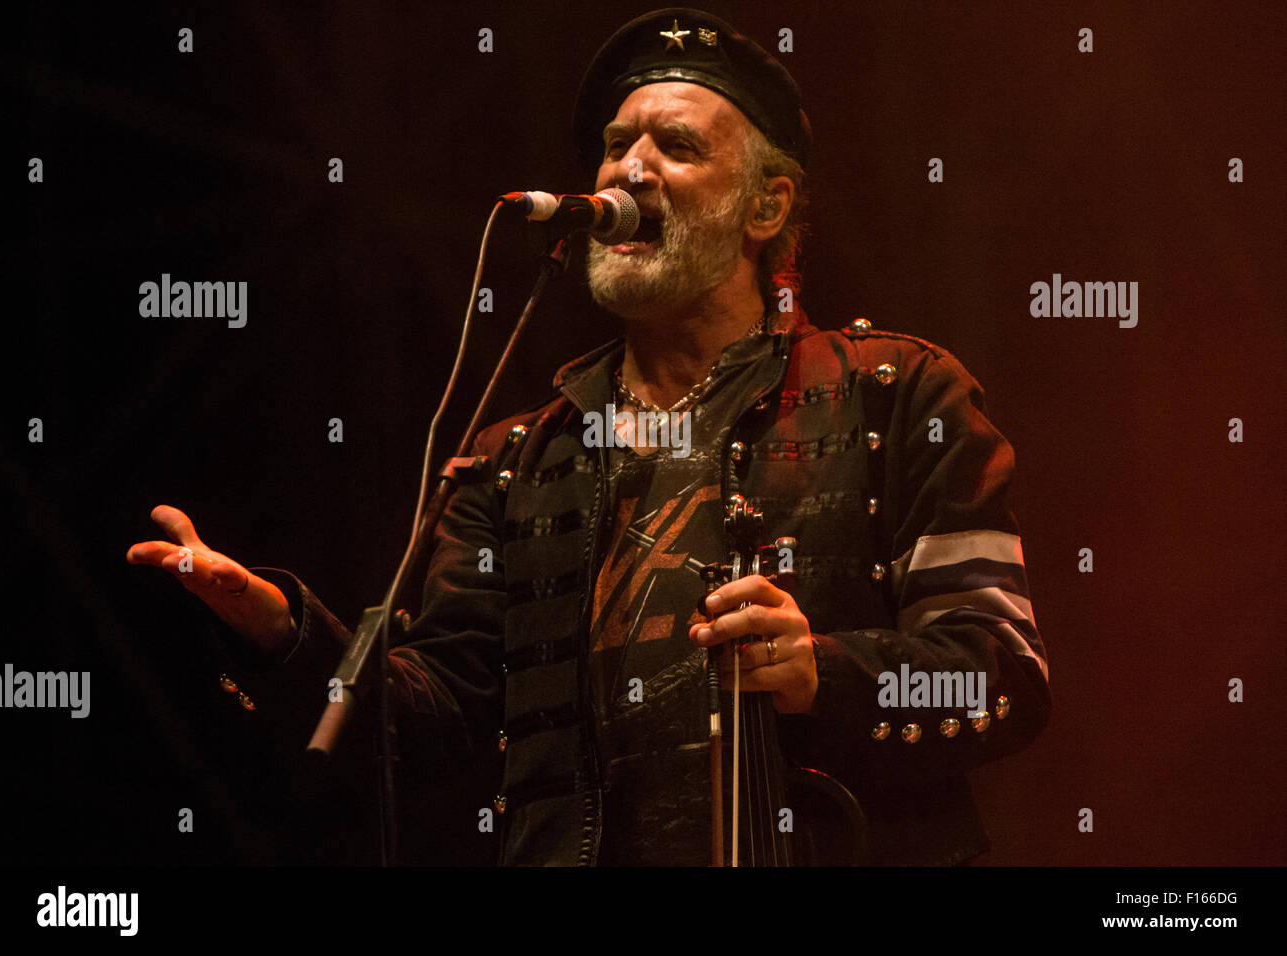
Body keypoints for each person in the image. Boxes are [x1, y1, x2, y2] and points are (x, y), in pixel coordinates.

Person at [127, 8, 1050, 866]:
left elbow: (1001, 676)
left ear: (766, 209)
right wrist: (285, 634)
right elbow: (433, 722)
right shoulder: (514, 458)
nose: (626, 170)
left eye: (676, 146)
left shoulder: (899, 394)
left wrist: (826, 672)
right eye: (616, 146)